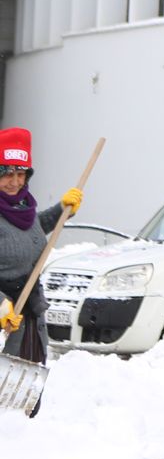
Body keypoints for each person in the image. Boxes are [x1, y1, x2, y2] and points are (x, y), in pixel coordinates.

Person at [0, 128, 83, 417]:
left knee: (24, 392)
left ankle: (24, 428)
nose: (15, 181)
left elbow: (31, 231)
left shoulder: (22, 208)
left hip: (30, 313)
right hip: (8, 315)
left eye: (20, 174)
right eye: (7, 174)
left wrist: (62, 209)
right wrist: (1, 305)